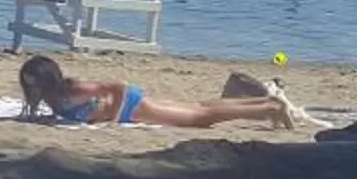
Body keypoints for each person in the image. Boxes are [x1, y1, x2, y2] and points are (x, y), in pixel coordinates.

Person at [17, 56, 306, 131]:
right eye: (28, 84)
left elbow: (118, 85)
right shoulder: (50, 99)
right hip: (132, 108)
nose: (32, 88)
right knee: (198, 106)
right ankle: (266, 101)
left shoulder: (73, 89)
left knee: (199, 118)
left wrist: (115, 120)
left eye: (34, 83)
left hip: (133, 107)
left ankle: (270, 109)